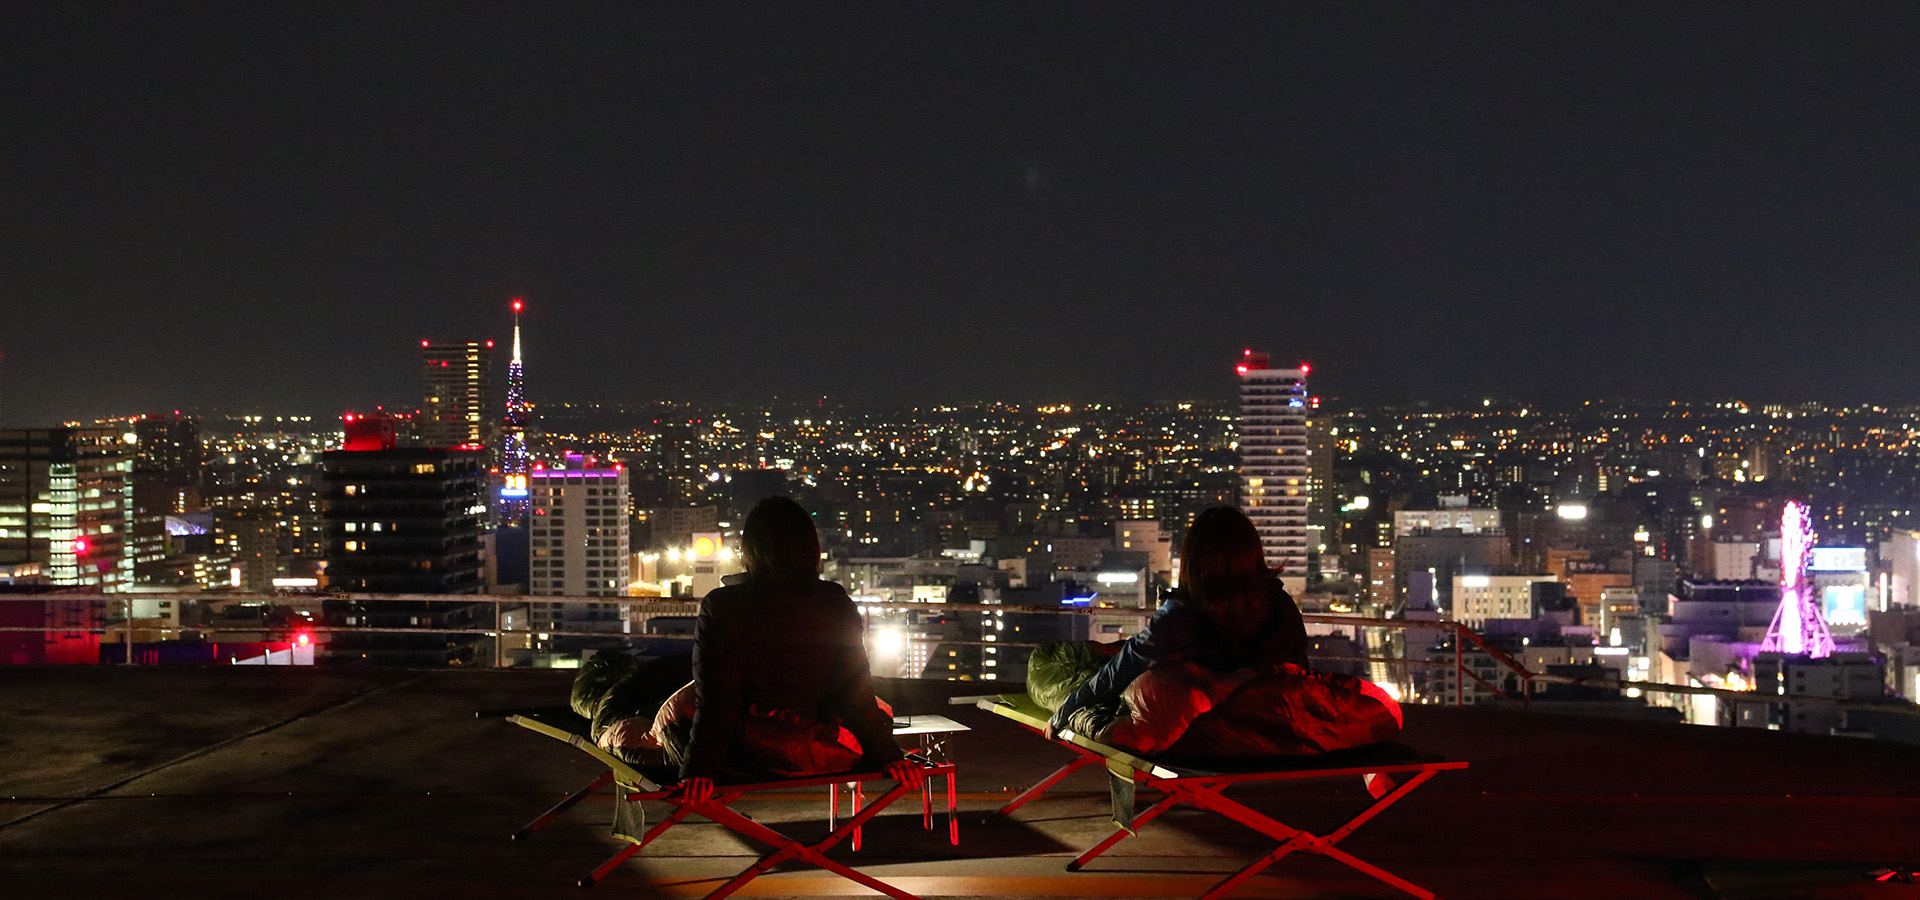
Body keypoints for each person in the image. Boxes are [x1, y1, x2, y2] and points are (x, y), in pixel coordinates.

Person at [672, 496, 924, 802]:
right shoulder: (835, 602)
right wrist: (889, 756)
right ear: (812, 548)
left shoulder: (723, 606)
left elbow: (717, 702)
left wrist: (699, 771)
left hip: (750, 754)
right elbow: (855, 693)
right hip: (819, 747)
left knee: (673, 706)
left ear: (750, 551)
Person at [1047, 506, 1310, 737]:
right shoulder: (1280, 604)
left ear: (1194, 562)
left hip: (1205, 739)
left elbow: (1119, 670)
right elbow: (1299, 669)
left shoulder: (1182, 617)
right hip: (1280, 729)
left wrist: (1064, 713)